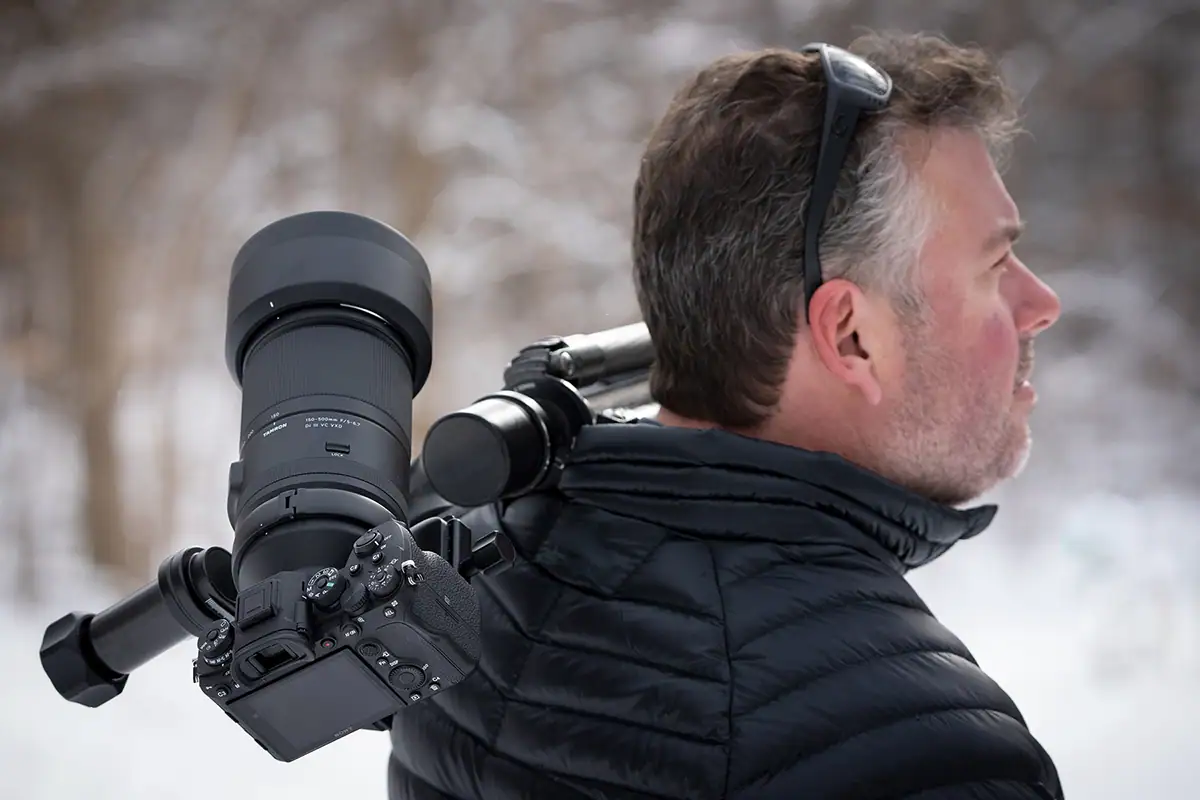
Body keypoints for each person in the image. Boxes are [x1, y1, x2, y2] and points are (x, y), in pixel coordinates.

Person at [389, 30, 1064, 800]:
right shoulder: (932, 758)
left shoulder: (473, 594)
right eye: (995, 265)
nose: (1042, 303)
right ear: (852, 336)